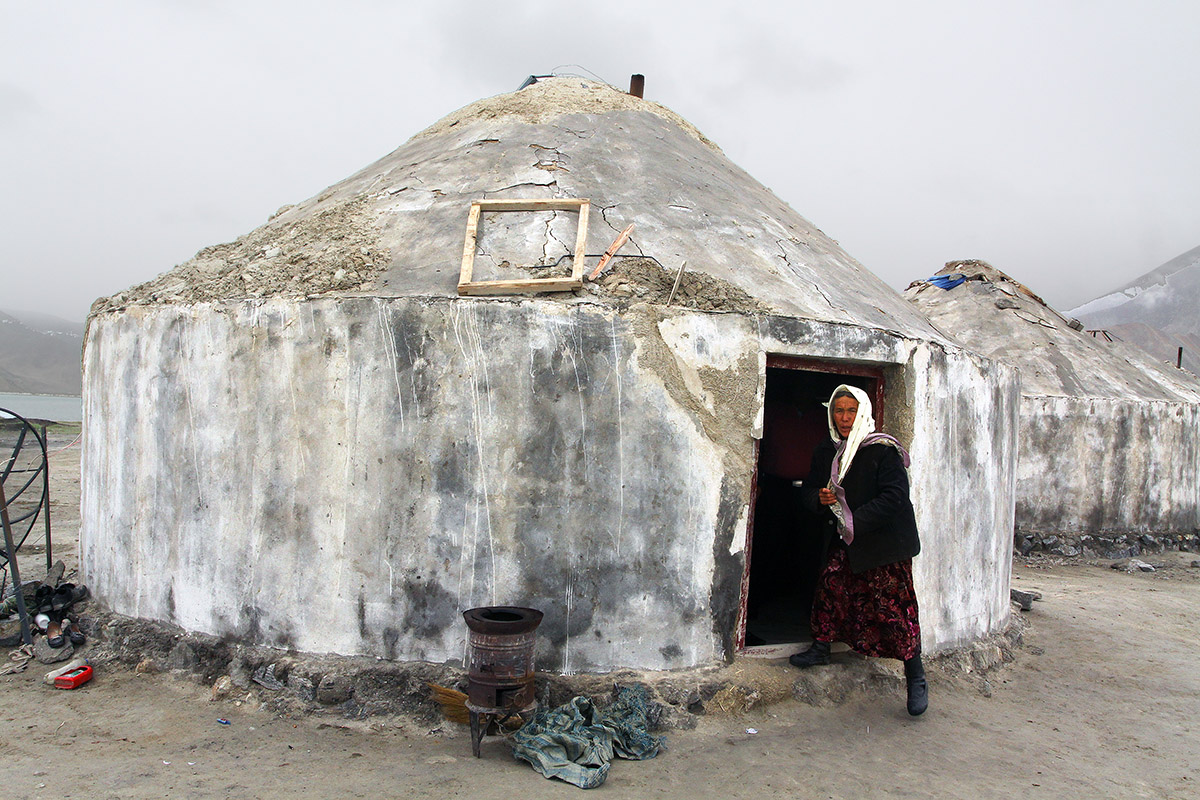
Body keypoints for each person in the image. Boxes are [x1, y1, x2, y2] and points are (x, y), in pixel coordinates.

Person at [791, 384, 927, 716]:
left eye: (851, 411)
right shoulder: (827, 450)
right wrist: (819, 499)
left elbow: (894, 498)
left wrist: (854, 520)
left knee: (895, 608)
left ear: (863, 412)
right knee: (831, 589)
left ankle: (916, 676)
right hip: (843, 538)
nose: (845, 418)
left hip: (883, 543)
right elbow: (809, 489)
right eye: (839, 410)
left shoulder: (882, 450)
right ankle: (822, 647)